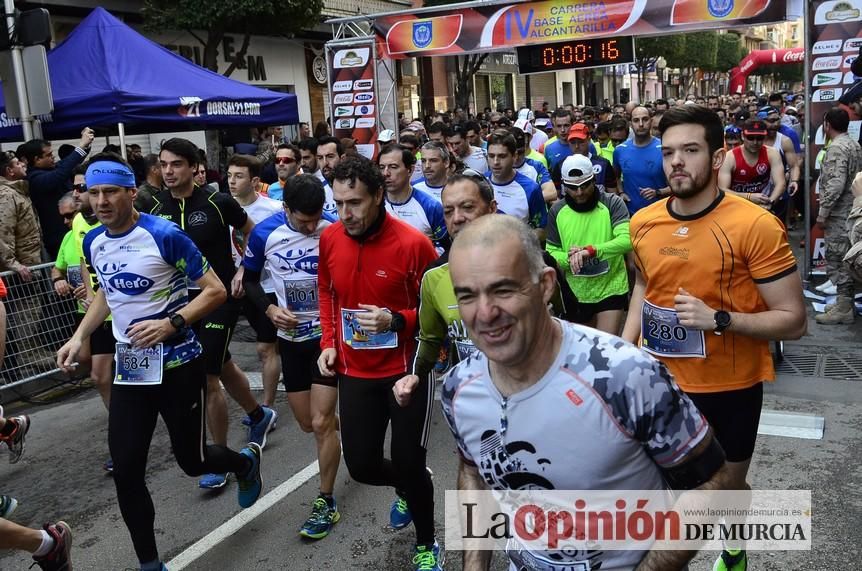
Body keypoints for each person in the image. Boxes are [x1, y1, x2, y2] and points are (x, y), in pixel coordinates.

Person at [433, 214, 731, 571]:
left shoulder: (624, 374)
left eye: (503, 290)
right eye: (467, 296)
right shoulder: (458, 388)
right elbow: (473, 471)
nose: (485, 313)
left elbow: (711, 481)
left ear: (545, 285)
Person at [622, 105, 806, 571]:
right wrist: (624, 349)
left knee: (724, 490)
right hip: (661, 381)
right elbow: (645, 286)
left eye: (690, 150)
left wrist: (721, 320)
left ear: (717, 155)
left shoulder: (754, 225)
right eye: (668, 153)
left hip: (730, 388)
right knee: (667, 497)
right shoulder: (642, 222)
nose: (676, 162)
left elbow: (793, 320)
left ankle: (735, 549)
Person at [56, 156, 263, 571]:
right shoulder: (93, 241)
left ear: (132, 193)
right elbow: (107, 294)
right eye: (94, 193)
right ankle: (150, 564)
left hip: (178, 365)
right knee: (128, 469)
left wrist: (173, 322)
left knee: (193, 461)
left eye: (111, 191)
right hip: (131, 367)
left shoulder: (165, 235)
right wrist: (79, 336)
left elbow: (215, 290)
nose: (102, 201)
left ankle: (243, 463)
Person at [316, 157, 442, 571]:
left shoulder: (412, 243)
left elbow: (435, 308)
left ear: (378, 196)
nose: (345, 214)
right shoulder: (331, 238)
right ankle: (413, 483)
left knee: (406, 459)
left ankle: (426, 542)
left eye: (354, 203)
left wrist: (397, 320)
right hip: (354, 371)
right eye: (337, 204)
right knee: (364, 466)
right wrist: (329, 341)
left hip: (405, 372)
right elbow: (328, 291)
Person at [150, 138, 276, 491]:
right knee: (221, 363)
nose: (169, 171)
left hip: (219, 297)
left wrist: (243, 270)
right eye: (164, 164)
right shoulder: (155, 207)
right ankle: (258, 414)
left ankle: (217, 458)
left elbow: (253, 232)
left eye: (176, 164)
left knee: (207, 375)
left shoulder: (218, 202)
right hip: (180, 304)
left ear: (194, 167)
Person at [242, 174, 342, 540]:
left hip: (328, 337)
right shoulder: (264, 233)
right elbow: (250, 280)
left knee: (319, 423)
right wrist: (269, 311)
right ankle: (342, 432)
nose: (311, 226)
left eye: (315, 218)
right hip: (291, 338)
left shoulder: (333, 228)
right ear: (286, 209)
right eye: (303, 220)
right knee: (308, 423)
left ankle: (325, 500)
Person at [546, 154, 631, 334]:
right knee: (584, 351)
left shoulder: (612, 203)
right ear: (563, 185)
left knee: (605, 347)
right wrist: (570, 258)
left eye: (584, 185)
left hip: (611, 286)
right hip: (577, 292)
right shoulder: (557, 210)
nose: (579, 193)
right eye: (572, 187)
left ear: (593, 180)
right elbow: (551, 252)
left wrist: (592, 251)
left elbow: (627, 240)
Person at [226, 155, 283, 410]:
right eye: (229, 176)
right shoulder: (223, 208)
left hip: (268, 286)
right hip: (236, 288)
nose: (231, 181)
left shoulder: (273, 209)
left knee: (264, 347)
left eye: (238, 176)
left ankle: (267, 405)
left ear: (255, 181)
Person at [815, 107, 862, 325]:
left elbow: (835, 184)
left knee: (840, 258)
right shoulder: (854, 145)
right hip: (852, 210)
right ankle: (846, 302)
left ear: (827, 125)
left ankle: (843, 307)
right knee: (847, 256)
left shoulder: (836, 149)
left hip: (839, 213)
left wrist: (823, 213)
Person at [21, 128, 94, 258]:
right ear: (37, 159)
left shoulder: (52, 169)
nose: (53, 157)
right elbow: (61, 172)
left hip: (74, 228)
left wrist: (86, 143)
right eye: (48, 155)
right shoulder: (34, 178)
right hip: (58, 236)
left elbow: (68, 163)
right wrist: (81, 146)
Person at [379, 144, 448, 251]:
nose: (385, 173)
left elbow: (445, 249)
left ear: (410, 170)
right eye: (382, 167)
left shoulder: (431, 207)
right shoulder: (373, 204)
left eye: (393, 167)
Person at [485, 131, 547, 234]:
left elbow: (543, 229)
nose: (495, 162)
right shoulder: (479, 183)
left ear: (514, 156)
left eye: (502, 156)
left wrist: (518, 245)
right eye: (491, 156)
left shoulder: (531, 189)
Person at [613, 106, 669, 214]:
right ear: (630, 124)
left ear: (651, 121)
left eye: (645, 119)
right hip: (631, 214)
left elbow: (677, 185)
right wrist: (621, 192)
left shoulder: (664, 148)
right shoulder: (620, 150)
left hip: (659, 214)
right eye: (636, 120)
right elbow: (616, 177)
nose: (641, 124)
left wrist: (658, 192)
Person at [717, 119, 785, 209]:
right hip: (736, 205)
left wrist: (770, 202)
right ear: (742, 136)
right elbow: (722, 190)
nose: (755, 142)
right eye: (750, 137)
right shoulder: (730, 158)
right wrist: (749, 197)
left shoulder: (772, 154)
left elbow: (781, 183)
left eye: (759, 138)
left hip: (763, 203)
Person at [0, 152, 40, 280]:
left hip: (28, 264)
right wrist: (12, 264)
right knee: (27, 300)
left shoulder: (17, 190)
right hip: (19, 271)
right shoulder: (6, 195)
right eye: (17, 163)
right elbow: (3, 231)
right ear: (9, 170)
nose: (23, 164)